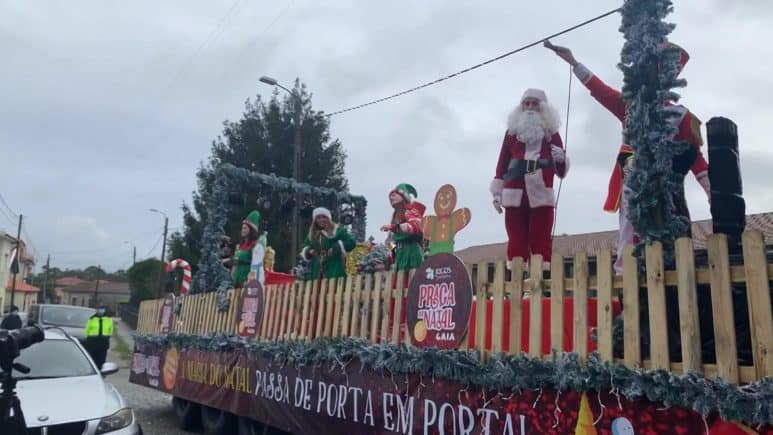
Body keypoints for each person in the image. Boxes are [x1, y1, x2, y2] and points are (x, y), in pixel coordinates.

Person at [546, 42, 710, 274]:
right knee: (628, 228)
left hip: (664, 184)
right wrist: (574, 63)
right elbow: (601, 91)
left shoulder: (681, 115)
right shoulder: (630, 106)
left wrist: (712, 191)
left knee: (666, 227)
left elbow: (696, 159)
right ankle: (626, 273)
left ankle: (667, 269)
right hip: (631, 177)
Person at [489, 89, 569, 270]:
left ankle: (542, 275)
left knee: (541, 237)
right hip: (514, 192)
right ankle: (517, 274)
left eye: (535, 103)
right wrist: (497, 192)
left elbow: (561, 170)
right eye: (527, 103)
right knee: (516, 236)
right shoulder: (511, 134)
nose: (531, 107)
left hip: (541, 193)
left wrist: (561, 160)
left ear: (543, 107)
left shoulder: (551, 134)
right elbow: (502, 163)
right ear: (521, 107)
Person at [300, 207, 357, 279]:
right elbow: (305, 247)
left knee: (335, 284)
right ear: (315, 220)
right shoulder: (312, 234)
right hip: (317, 270)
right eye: (318, 217)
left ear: (328, 218)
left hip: (335, 267)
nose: (321, 220)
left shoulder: (338, 231)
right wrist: (310, 251)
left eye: (324, 217)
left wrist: (337, 247)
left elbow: (352, 242)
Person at [380, 183, 426, 271]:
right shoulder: (395, 216)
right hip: (400, 252)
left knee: (413, 274)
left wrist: (395, 227)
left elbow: (414, 226)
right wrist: (390, 252)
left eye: (394, 195)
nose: (391, 198)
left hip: (412, 250)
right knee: (400, 275)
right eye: (390, 196)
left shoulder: (411, 211)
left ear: (404, 197)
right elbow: (391, 240)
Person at [231, 210, 267, 288]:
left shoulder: (254, 245)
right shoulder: (240, 246)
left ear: (251, 230)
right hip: (236, 280)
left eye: (245, 228)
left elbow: (255, 262)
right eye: (242, 228)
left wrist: (250, 280)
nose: (243, 230)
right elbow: (234, 264)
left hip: (246, 278)